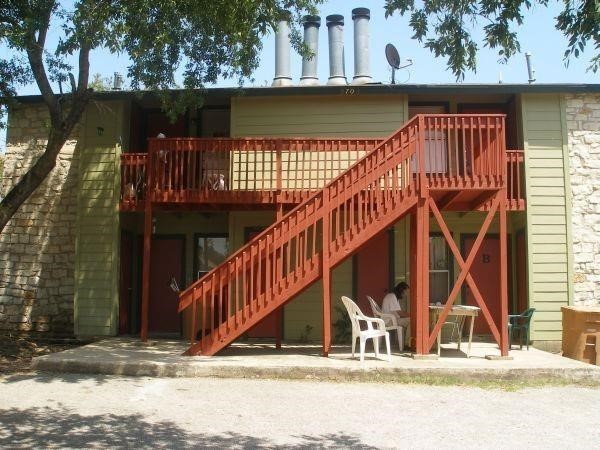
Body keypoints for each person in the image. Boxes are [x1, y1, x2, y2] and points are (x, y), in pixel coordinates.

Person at [381, 282, 410, 348]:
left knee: (410, 320)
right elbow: (400, 313)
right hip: (389, 321)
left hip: (390, 320)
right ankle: (408, 343)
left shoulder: (392, 296)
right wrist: (413, 315)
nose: (406, 294)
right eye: (406, 292)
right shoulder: (392, 297)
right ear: (402, 290)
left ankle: (406, 343)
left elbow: (399, 312)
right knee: (412, 320)